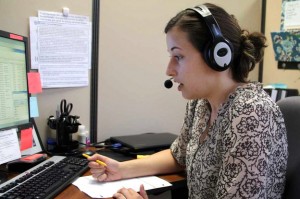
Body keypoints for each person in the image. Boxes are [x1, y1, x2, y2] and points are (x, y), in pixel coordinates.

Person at [87, 3, 288, 199]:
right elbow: (178, 155)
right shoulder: (201, 103)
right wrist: (121, 170)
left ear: (218, 56)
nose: (169, 70)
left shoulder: (252, 114)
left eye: (178, 56)